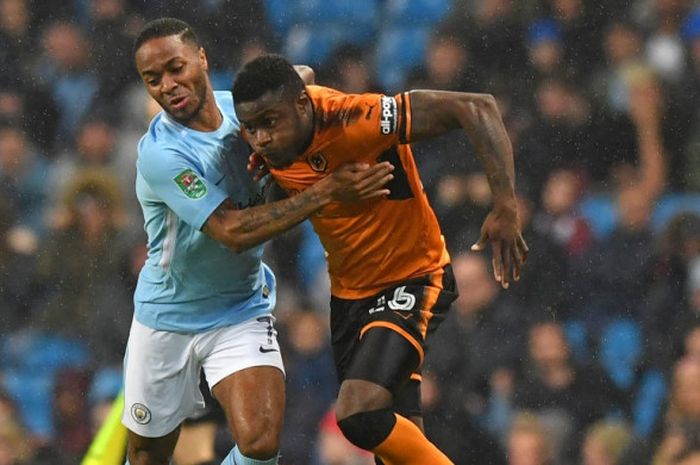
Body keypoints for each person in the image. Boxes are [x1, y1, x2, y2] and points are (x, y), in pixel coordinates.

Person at [233, 54, 528, 465]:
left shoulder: (358, 119)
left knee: (358, 412)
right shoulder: (278, 119)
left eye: (270, 122)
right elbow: (301, 75)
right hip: (349, 296)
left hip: (413, 275)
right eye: (252, 128)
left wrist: (505, 207)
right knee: (394, 450)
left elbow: (476, 106)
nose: (261, 139)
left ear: (302, 106)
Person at [127, 18, 394, 465]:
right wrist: (327, 190)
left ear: (202, 58)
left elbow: (302, 75)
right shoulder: (161, 154)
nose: (168, 85)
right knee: (146, 456)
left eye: (176, 68)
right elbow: (232, 231)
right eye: (153, 79)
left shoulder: (244, 111)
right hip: (168, 317)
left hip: (240, 306)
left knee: (260, 445)